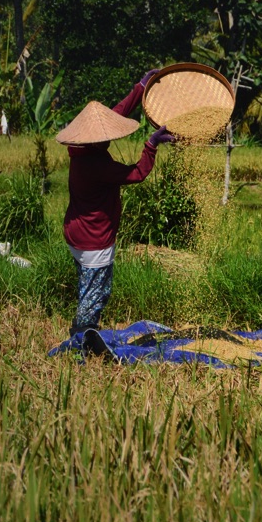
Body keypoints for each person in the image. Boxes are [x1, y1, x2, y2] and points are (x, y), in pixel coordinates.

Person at [56, 70, 176, 346]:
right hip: (94, 238)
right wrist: (151, 145)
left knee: (88, 286)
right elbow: (136, 174)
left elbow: (113, 116)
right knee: (95, 293)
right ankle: (82, 340)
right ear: (97, 139)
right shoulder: (97, 165)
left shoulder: (79, 150)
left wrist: (139, 89)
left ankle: (84, 330)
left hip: (76, 231)